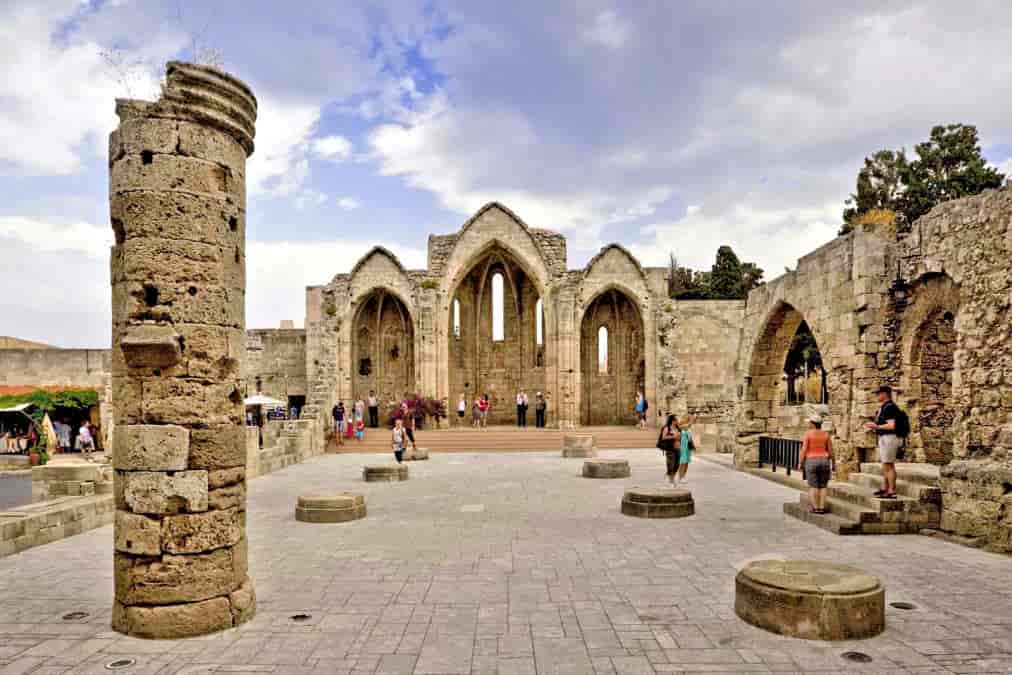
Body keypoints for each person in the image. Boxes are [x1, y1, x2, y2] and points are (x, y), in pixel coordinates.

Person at [866, 385, 901, 499]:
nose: (877, 395)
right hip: (885, 438)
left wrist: (876, 426)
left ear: (885, 394)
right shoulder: (885, 406)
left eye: (878, 393)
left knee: (889, 465)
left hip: (889, 438)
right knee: (886, 465)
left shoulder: (890, 407)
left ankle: (891, 490)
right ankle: (886, 488)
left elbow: (892, 425)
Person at [797, 414, 833, 514]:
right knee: (823, 486)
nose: (809, 424)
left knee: (813, 486)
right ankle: (822, 508)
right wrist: (833, 463)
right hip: (824, 461)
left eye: (810, 422)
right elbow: (830, 450)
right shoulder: (826, 434)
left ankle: (816, 508)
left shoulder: (808, 434)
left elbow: (804, 450)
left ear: (813, 424)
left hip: (811, 460)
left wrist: (800, 463)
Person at [657, 414, 679, 484]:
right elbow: (663, 437)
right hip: (670, 449)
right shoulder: (667, 428)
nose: (677, 421)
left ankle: (670, 477)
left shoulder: (677, 428)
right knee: (671, 464)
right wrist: (673, 436)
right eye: (676, 420)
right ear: (672, 421)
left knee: (677, 464)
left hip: (678, 448)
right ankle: (671, 480)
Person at [677, 418, 694, 485]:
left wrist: (693, 445)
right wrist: (692, 420)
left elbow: (690, 438)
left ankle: (683, 476)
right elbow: (688, 425)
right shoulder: (681, 428)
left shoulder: (688, 429)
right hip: (682, 447)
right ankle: (680, 477)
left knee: (686, 463)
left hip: (687, 448)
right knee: (682, 463)